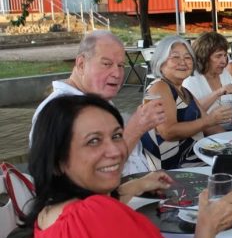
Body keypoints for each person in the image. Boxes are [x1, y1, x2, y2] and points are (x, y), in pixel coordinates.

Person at [26, 94, 232, 238]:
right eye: (93, 141)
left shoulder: (47, 213)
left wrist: (136, 186)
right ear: (56, 159)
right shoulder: (94, 216)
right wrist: (207, 227)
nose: (116, 152)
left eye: (117, 135)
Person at [29, 30, 165, 175]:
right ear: (81, 64)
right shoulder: (58, 110)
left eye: (120, 65)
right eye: (107, 64)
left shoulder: (96, 99)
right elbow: (74, 177)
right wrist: (135, 128)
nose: (117, 74)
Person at [141, 36, 232, 170]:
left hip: (192, 157)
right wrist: (210, 120)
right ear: (161, 62)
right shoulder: (159, 87)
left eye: (188, 57)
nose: (183, 62)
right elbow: (168, 131)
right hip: (170, 168)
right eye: (175, 57)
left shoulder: (185, 92)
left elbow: (210, 126)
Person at [183, 32, 232, 115]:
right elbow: (191, 112)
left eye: (225, 55)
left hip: (228, 126)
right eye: (218, 56)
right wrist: (218, 92)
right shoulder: (191, 78)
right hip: (205, 127)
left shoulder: (223, 74)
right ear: (204, 57)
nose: (224, 61)